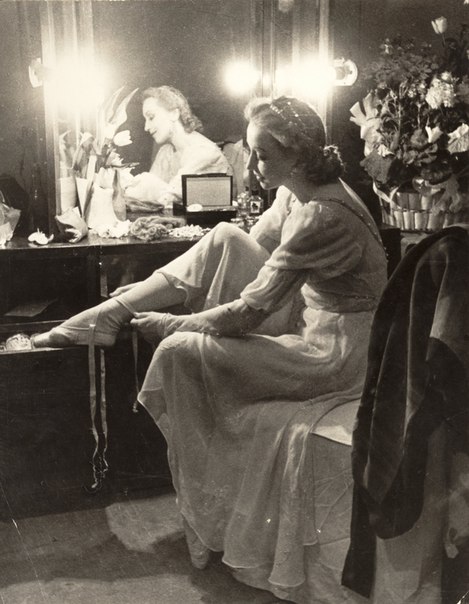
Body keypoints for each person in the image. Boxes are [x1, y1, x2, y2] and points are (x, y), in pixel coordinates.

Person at [33, 96, 388, 601]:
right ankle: (109, 314)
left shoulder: (322, 215)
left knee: (179, 350)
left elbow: (248, 313)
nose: (252, 165)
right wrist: (153, 302)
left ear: (296, 155)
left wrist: (171, 323)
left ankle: (208, 514)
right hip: (309, 320)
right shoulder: (296, 194)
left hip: (335, 354)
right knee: (224, 235)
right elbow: (246, 250)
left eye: (262, 155)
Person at [123, 85, 230, 209]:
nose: (146, 127)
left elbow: (166, 198)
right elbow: (149, 203)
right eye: (145, 120)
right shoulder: (165, 152)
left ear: (174, 114)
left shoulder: (204, 152)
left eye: (151, 117)